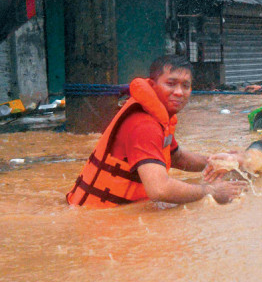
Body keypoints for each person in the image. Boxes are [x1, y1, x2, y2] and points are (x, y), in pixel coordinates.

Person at [66, 55, 247, 208]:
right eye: (171, 83)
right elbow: (159, 189)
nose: (179, 92)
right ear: (152, 86)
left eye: (186, 85)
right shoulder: (144, 125)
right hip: (99, 221)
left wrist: (217, 162)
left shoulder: (159, 119)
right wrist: (211, 190)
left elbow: (177, 157)